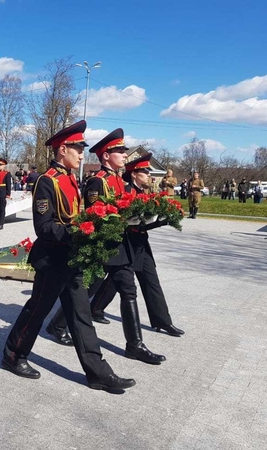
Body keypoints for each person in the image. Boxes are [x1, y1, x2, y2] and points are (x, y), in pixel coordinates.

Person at [2, 120, 136, 392]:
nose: (81, 153)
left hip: (72, 258)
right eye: (77, 147)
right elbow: (44, 226)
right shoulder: (46, 181)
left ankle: (98, 372)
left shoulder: (73, 179)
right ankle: (13, 355)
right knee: (37, 310)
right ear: (63, 149)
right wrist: (77, 232)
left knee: (80, 315)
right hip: (52, 259)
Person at [47, 128, 165, 365]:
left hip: (119, 246)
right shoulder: (97, 182)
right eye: (119, 151)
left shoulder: (119, 181)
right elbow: (95, 216)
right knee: (87, 290)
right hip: (102, 246)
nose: (124, 155)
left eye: (123, 150)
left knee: (128, 290)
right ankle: (57, 325)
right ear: (106, 156)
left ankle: (135, 345)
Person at [89, 154, 184, 337]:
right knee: (117, 280)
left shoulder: (142, 193)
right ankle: (93, 309)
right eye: (144, 171)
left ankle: (162, 321)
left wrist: (163, 219)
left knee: (150, 279)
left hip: (141, 242)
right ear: (134, 174)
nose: (148, 175)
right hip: (127, 243)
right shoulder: (126, 191)